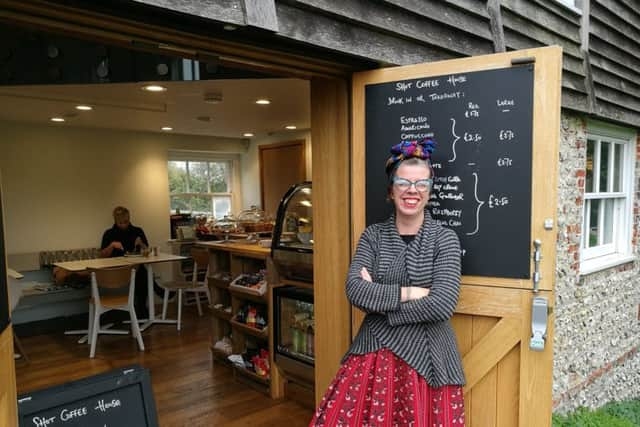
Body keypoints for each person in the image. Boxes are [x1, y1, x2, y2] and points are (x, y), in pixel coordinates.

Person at [310, 139, 466, 426]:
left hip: (429, 359)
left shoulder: (445, 239)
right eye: (403, 182)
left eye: (421, 184)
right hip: (373, 353)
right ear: (391, 189)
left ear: (430, 191)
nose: (412, 191)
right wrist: (410, 292)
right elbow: (355, 290)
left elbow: (442, 306)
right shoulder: (373, 236)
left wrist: (380, 303)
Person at [100, 206, 151, 318]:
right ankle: (158, 291)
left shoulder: (137, 231)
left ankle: (142, 308)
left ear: (129, 218)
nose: (123, 225)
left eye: (126, 222)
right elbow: (102, 255)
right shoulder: (109, 233)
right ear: (115, 220)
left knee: (144, 273)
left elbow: (147, 251)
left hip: (135, 267)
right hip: (116, 270)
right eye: (120, 223)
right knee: (144, 273)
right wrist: (112, 245)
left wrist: (141, 243)